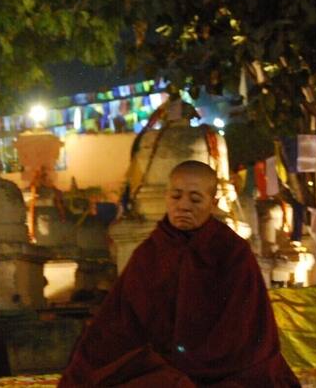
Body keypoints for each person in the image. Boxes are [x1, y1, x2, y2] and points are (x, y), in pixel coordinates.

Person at [60, 160, 300, 387]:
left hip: (224, 368)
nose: (183, 205)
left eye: (195, 199)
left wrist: (188, 364)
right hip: (162, 366)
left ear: (213, 202)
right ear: (166, 197)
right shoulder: (150, 253)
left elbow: (243, 331)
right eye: (176, 196)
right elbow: (118, 323)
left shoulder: (231, 252)